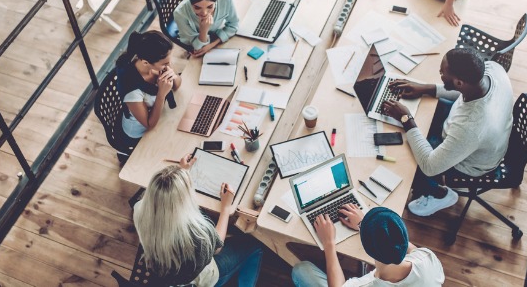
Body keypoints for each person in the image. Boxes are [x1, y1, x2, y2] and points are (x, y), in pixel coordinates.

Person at [381, 48, 513, 217]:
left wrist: (406, 118)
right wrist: (425, 88)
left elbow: (430, 166)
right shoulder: (492, 69)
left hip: (471, 163)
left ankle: (439, 194)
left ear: (459, 83)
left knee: (409, 160)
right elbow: (463, 93)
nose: (440, 74)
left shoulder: (472, 127)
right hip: (477, 131)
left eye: (442, 73)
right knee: (422, 121)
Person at [132, 154, 264, 286]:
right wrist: (226, 208)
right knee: (254, 244)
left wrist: (180, 171)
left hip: (164, 269)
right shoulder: (197, 235)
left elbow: (165, 197)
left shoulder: (139, 209)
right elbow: (217, 247)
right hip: (200, 279)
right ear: (184, 199)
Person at [292, 206, 445, 286]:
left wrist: (329, 243)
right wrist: (364, 224)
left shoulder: (366, 285)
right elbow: (399, 242)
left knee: (301, 270)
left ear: (367, 249)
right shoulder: (427, 257)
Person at [115, 30, 181, 163]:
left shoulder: (157, 62)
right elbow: (149, 124)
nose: (169, 65)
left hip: (159, 116)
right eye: (165, 63)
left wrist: (172, 74)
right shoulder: (132, 90)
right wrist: (161, 94)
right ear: (145, 62)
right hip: (139, 133)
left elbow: (177, 85)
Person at [174, 0, 239, 57]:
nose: (204, 13)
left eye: (210, 7)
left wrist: (212, 44)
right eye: (197, 7)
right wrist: (203, 30)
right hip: (194, 42)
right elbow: (198, 48)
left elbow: (234, 25)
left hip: (214, 39)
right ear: (190, 2)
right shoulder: (180, 14)